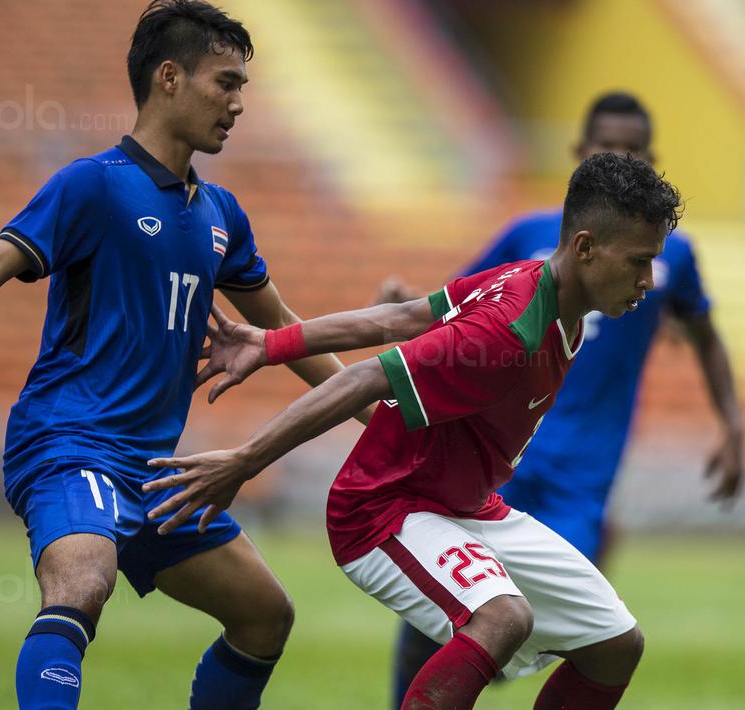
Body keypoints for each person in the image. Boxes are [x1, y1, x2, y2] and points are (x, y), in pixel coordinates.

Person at [0, 2, 357, 707]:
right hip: (70, 441)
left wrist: (371, 404)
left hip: (154, 468)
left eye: (243, 86)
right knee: (84, 582)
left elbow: (284, 329)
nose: (239, 103)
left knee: (264, 616)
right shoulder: (93, 184)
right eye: (226, 83)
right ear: (170, 78)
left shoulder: (222, 215)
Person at [144, 152, 682, 709]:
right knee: (501, 618)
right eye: (640, 262)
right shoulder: (504, 332)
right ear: (587, 247)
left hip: (468, 507)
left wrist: (271, 343)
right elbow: (364, 380)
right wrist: (243, 461)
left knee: (616, 642)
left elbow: (402, 317)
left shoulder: (532, 285)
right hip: (384, 509)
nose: (648, 281)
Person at [379, 92, 745, 703]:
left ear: (652, 159)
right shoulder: (526, 233)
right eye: (608, 145)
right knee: (443, 614)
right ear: (581, 154)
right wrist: (406, 303)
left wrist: (733, 428)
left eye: (633, 149)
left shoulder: (668, 258)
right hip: (496, 459)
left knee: (555, 635)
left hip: (584, 477)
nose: (621, 156)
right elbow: (459, 308)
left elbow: (707, 335)